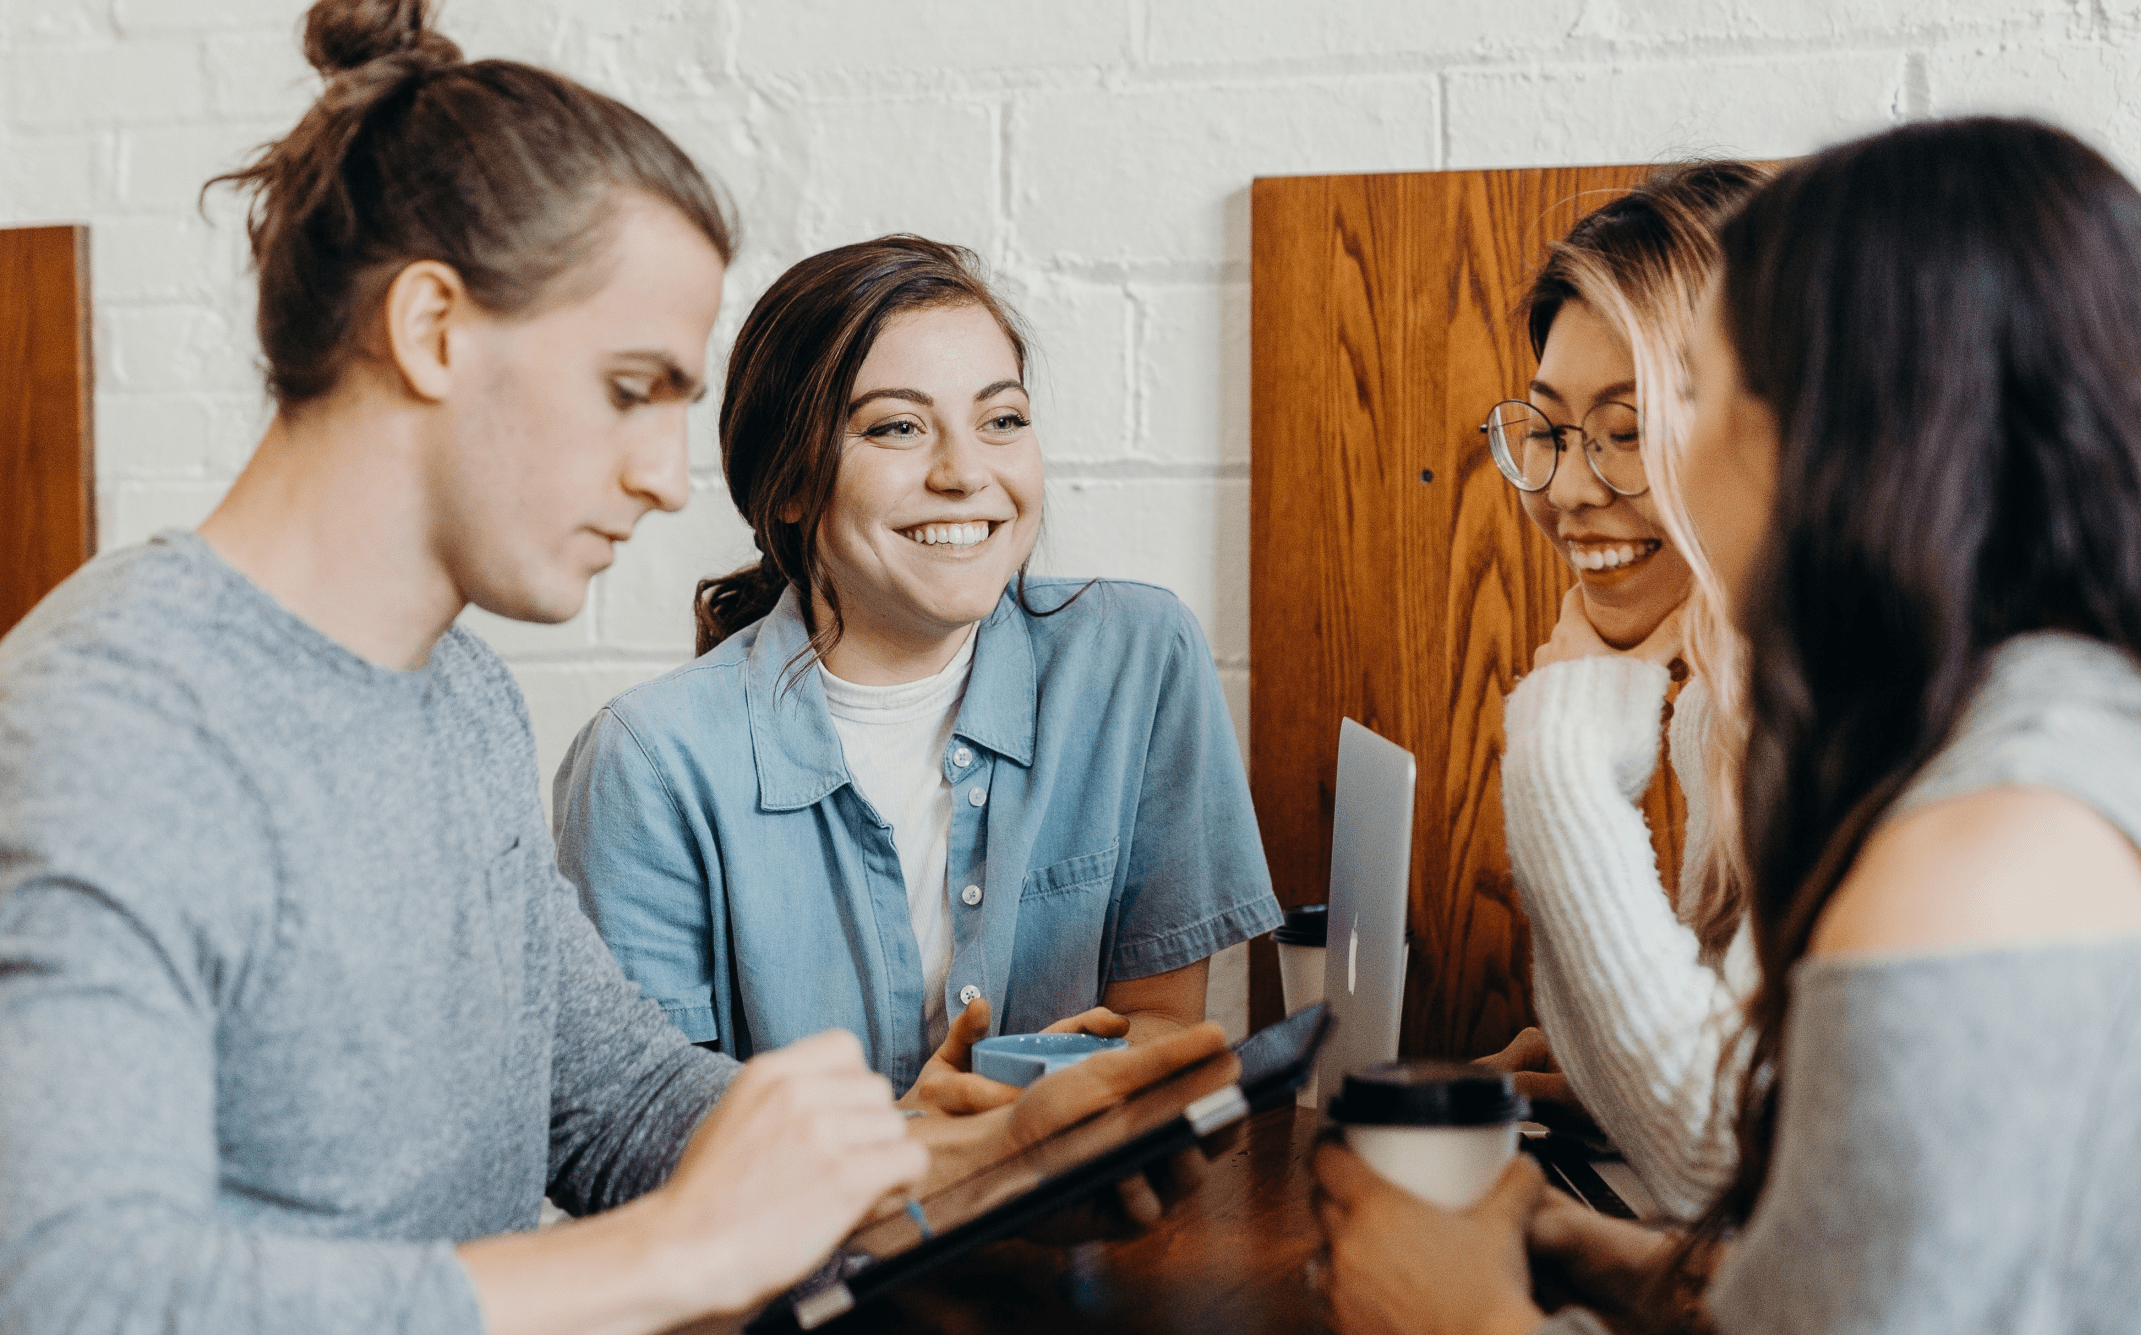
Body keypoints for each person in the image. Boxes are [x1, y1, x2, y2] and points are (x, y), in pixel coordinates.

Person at [0, 5, 1226, 1333]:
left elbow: (612, 1096)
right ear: (433, 329)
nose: (659, 474)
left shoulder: (453, 695)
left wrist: (948, 1164)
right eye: (630, 387)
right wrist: (670, 1255)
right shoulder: (111, 721)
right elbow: (70, 1288)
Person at [1314, 115, 2141, 1335]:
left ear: (1846, 432)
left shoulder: (1978, 853)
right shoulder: (2074, 737)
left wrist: (1456, 1315)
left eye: (1689, 392)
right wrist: (1640, 1272)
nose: (1597, 477)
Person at [554, 235, 1283, 1107]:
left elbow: (1163, 1024)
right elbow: (645, 1135)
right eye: (897, 427)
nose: (966, 472)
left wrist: (1051, 1104)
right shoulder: (648, 763)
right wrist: (920, 1149)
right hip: (813, 1245)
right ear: (787, 484)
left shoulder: (1138, 659)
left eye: (1001, 419)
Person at [1483, 163, 1768, 1219]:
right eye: (1551, 430)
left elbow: (1716, 1159)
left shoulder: (1839, 711)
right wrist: (1603, 1070)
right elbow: (1747, 1113)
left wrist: (1558, 745)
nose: (1564, 488)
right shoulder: (1719, 703)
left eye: (1627, 428)